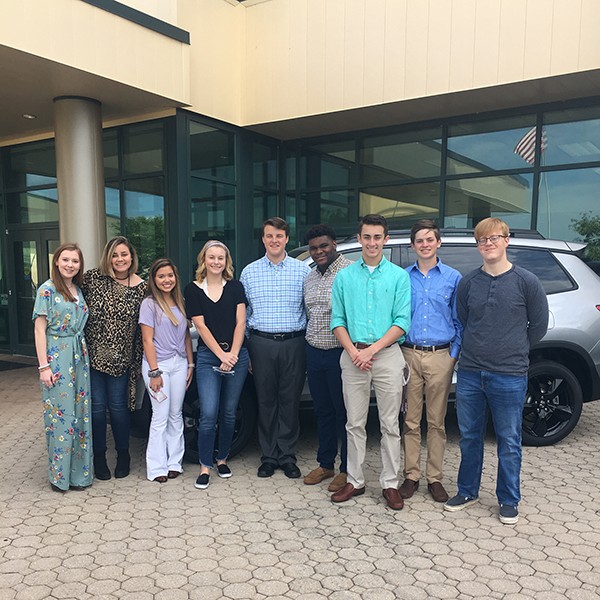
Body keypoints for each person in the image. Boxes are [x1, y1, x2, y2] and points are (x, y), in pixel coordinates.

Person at [444, 217, 548, 524]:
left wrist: (512, 348)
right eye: (482, 240)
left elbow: (538, 326)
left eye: (494, 239)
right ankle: (467, 490)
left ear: (506, 240)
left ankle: (508, 499)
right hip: (471, 372)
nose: (488, 244)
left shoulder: (526, 281)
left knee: (509, 438)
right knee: (469, 436)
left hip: (509, 373)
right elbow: (463, 319)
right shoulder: (468, 283)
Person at [330, 214, 411, 510]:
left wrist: (372, 350)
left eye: (378, 237)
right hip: (353, 355)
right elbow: (337, 319)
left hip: (388, 356)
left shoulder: (399, 277)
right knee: (355, 423)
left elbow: (402, 322)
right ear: (360, 238)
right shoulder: (345, 277)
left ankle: (390, 484)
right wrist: (354, 351)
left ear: (385, 240)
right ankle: (355, 481)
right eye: (367, 236)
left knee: (390, 424)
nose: (372, 242)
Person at [240, 217, 311, 479]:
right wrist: (247, 350)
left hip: (294, 342)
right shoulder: (249, 272)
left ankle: (288, 456)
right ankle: (269, 456)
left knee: (290, 401)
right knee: (266, 401)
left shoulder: (303, 271)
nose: (274, 240)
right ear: (263, 239)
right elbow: (244, 316)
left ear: (287, 239)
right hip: (261, 343)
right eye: (269, 236)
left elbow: (309, 310)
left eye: (279, 236)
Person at [399, 220, 462, 504]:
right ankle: (411, 476)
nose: (424, 245)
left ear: (438, 243)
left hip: (441, 356)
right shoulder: (403, 277)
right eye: (419, 241)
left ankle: (434, 478)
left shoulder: (453, 278)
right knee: (410, 420)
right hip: (409, 354)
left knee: (436, 422)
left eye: (429, 240)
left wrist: (453, 355)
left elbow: (460, 319)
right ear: (413, 245)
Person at [185, 241, 249, 490]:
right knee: (209, 413)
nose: (216, 262)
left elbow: (240, 323)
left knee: (230, 412)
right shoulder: (193, 289)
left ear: (226, 261)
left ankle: (222, 459)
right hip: (208, 357)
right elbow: (200, 326)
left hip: (236, 356)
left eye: (220, 258)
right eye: (211, 257)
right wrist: (221, 355)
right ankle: (204, 466)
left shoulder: (235, 287)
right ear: (204, 259)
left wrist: (232, 353)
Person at [82, 236, 146, 480]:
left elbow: (144, 327)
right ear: (108, 258)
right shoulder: (92, 278)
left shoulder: (142, 287)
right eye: (115, 255)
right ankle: (99, 458)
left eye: (124, 254)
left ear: (132, 257)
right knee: (97, 410)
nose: (120, 259)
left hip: (121, 359)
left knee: (118, 409)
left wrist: (140, 361)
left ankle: (123, 455)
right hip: (92, 356)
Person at [33, 243, 93, 492]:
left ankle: (80, 476)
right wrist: (43, 366)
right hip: (57, 356)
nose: (70, 264)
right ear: (57, 262)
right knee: (60, 417)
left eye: (75, 261)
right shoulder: (47, 290)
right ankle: (60, 477)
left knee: (80, 416)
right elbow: (39, 329)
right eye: (65, 259)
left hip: (79, 356)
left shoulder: (77, 289)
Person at [302, 224, 352, 493]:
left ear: (334, 244)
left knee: (344, 414)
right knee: (322, 411)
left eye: (323, 245)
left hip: (340, 353)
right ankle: (325, 464)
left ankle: (346, 469)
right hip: (314, 351)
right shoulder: (309, 277)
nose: (318, 251)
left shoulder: (350, 271)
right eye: (314, 248)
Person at [140, 258, 193, 483]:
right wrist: (154, 372)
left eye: (170, 275)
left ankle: (174, 463)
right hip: (158, 365)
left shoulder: (180, 301)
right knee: (159, 416)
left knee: (176, 414)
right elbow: (147, 340)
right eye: (161, 276)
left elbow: (186, 337)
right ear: (154, 279)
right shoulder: (149, 304)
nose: (166, 280)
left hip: (180, 363)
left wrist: (190, 363)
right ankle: (157, 468)